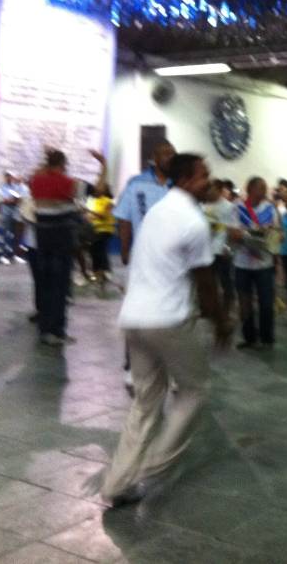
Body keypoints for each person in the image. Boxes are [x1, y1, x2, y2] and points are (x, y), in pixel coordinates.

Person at [101, 153, 230, 506]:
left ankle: (117, 483)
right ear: (186, 180)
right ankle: (153, 466)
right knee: (194, 390)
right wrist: (221, 321)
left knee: (146, 401)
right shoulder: (193, 221)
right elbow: (205, 281)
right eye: (203, 176)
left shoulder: (158, 212)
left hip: (134, 318)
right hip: (168, 320)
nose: (209, 181)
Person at [113, 139, 175, 388]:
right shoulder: (136, 183)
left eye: (173, 154)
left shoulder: (179, 186)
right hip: (142, 260)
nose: (170, 158)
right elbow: (124, 219)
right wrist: (125, 250)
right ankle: (133, 367)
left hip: (172, 262)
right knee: (137, 314)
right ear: (154, 158)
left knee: (170, 317)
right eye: (165, 154)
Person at [29, 149, 83, 346]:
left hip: (42, 242)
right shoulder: (69, 183)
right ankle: (56, 331)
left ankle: (46, 330)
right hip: (62, 243)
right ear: (63, 164)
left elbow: (36, 174)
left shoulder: (36, 182)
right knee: (60, 289)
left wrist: (45, 164)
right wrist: (103, 166)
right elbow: (96, 190)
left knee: (45, 286)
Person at [228, 177, 279, 349]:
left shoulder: (270, 208)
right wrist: (252, 234)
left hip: (264, 264)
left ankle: (267, 338)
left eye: (265, 188)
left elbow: (277, 233)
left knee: (266, 303)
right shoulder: (238, 207)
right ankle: (249, 337)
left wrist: (271, 234)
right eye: (260, 188)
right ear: (249, 189)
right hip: (242, 264)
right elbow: (232, 233)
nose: (263, 192)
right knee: (245, 303)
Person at [202, 179, 236, 316]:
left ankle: (227, 310)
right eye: (208, 188)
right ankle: (210, 309)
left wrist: (228, 246)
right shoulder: (203, 205)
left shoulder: (229, 207)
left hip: (222, 250)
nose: (209, 191)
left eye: (212, 189)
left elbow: (233, 228)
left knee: (225, 281)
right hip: (206, 250)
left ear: (220, 190)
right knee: (208, 281)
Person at [86, 184, 116, 296]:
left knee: (100, 249)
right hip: (93, 229)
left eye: (100, 188)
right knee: (93, 251)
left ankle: (105, 271)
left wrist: (90, 212)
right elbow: (90, 215)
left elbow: (103, 215)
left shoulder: (108, 201)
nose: (97, 189)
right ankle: (97, 273)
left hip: (105, 229)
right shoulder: (93, 201)